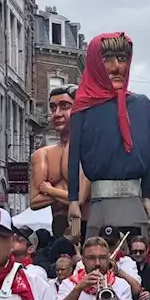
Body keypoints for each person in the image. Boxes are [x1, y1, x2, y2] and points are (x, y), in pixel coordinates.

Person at [67, 32, 150, 239]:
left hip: (134, 202)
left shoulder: (141, 105)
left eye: (122, 59)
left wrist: (147, 194)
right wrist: (73, 199)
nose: (116, 67)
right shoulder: (83, 108)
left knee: (135, 255)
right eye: (106, 60)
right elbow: (74, 157)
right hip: (100, 202)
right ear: (96, 64)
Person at [30, 84, 88, 237]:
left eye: (65, 106)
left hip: (86, 225)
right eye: (53, 108)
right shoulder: (42, 154)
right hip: (58, 227)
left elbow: (81, 198)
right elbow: (34, 201)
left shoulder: (88, 149)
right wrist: (69, 195)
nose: (57, 114)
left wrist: (49, 190)